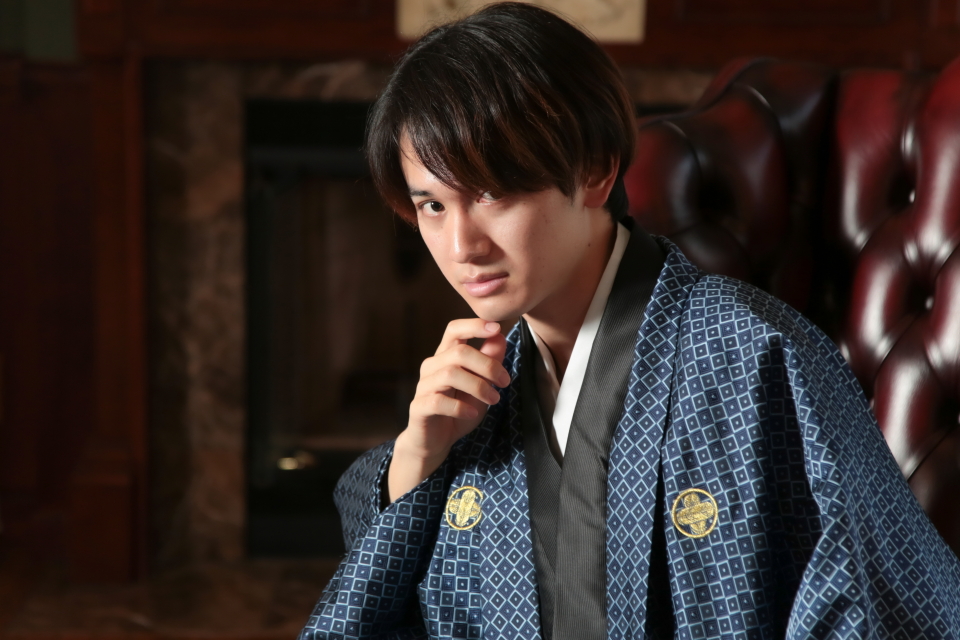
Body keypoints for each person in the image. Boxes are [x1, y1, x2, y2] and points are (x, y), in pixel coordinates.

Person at [299, 4, 960, 639]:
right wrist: (418, 456)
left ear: (593, 170)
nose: (461, 246)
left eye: (492, 193)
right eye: (433, 206)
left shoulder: (761, 354)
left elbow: (890, 604)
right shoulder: (479, 392)